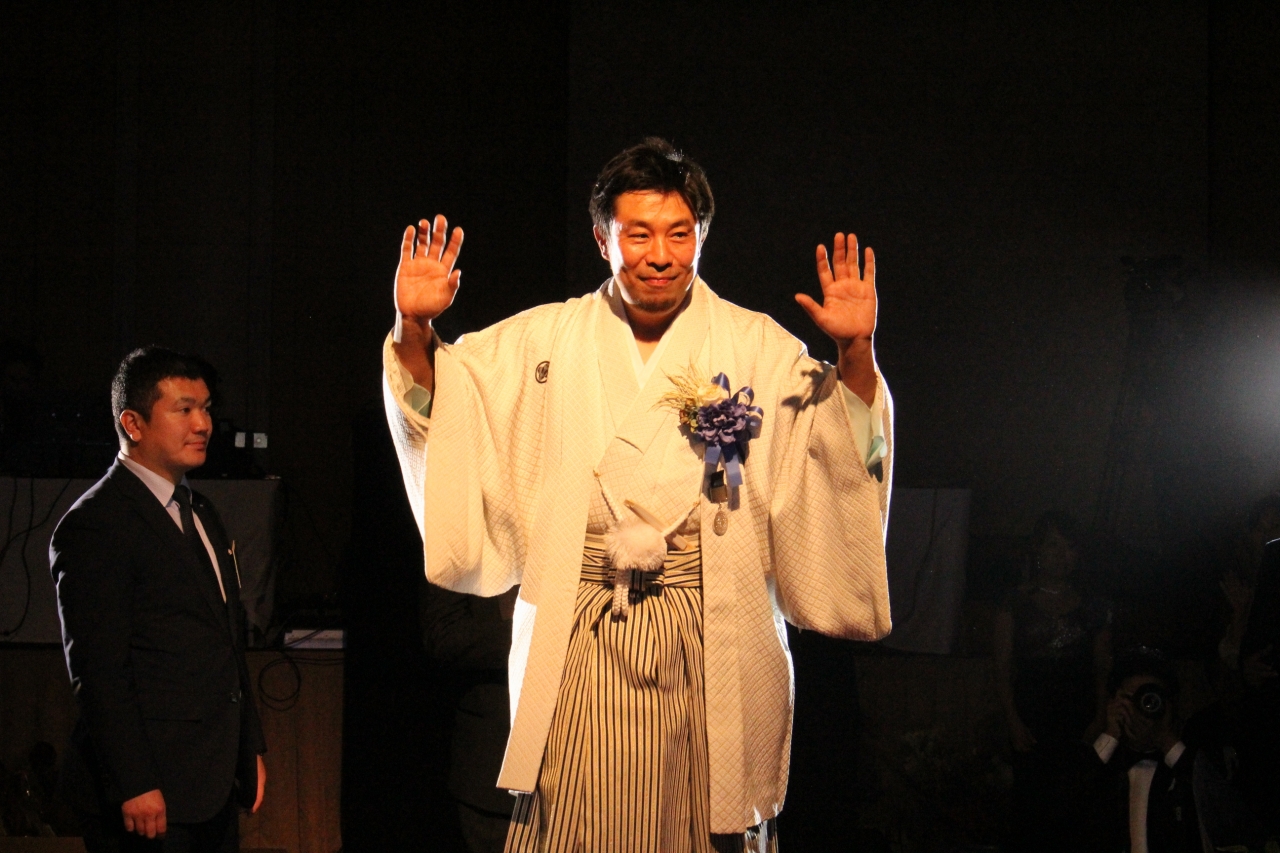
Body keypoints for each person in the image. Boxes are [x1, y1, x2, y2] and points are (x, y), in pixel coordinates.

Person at [382, 137, 893, 852]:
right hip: (581, 637)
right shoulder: (542, 341)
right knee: (578, 823)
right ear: (603, 239)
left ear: (702, 236)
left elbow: (838, 450)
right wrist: (415, 331)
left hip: (713, 636)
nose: (660, 255)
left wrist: (856, 355)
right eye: (639, 234)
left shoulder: (757, 348)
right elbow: (448, 409)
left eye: (680, 234)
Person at [49, 346, 267, 852]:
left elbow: (226, 644)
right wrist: (134, 782)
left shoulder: (201, 510)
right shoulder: (96, 523)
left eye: (206, 408)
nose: (203, 424)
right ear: (133, 423)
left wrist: (249, 746)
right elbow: (99, 670)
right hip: (149, 791)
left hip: (212, 781)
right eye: (184, 409)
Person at [993, 511, 1112, 852]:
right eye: (1053, 545)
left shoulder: (1093, 607)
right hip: (1031, 721)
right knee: (1032, 814)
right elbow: (1002, 667)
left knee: (1078, 812)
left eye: (1069, 547)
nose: (1062, 555)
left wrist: (1099, 718)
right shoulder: (1016, 603)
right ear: (1038, 550)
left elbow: (1103, 668)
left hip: (1079, 721)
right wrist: (1013, 721)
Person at [1079, 648, 1264, 852]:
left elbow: (1230, 814)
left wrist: (1165, 739)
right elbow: (1069, 803)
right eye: (1133, 698)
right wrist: (1110, 735)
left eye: (1151, 699)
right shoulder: (1100, 767)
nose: (1142, 707)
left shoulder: (1189, 765)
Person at [419, 582, 518, 853]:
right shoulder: (466, 551)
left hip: (588, 757)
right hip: (494, 766)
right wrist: (537, 634)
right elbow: (444, 633)